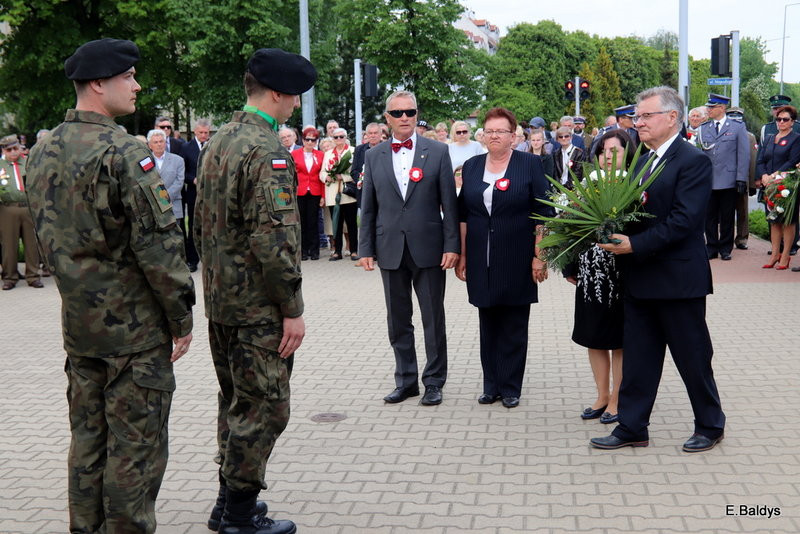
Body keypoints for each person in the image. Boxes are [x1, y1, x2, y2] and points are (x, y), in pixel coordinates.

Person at [24, 38, 195, 532]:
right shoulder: (125, 152)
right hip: (133, 335)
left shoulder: (44, 150)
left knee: (87, 442)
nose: (137, 85)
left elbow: (48, 236)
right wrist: (180, 318)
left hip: (79, 328)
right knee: (134, 450)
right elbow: (160, 250)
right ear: (99, 84)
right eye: (129, 77)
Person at [194, 47, 315, 533]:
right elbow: (274, 238)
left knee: (235, 402)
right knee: (264, 408)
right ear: (278, 94)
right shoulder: (266, 151)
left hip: (222, 302)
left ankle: (226, 505)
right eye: (295, 98)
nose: (296, 107)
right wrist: (292, 307)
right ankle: (240, 518)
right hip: (257, 307)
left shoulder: (220, 139)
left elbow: (201, 226)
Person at [590, 86, 725, 453]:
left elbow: (686, 221)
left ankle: (710, 425)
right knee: (638, 360)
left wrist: (635, 244)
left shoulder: (692, 160)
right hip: (639, 278)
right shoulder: (642, 161)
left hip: (678, 280)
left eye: (646, 116)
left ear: (671, 118)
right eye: (637, 116)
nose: (638, 122)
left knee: (693, 358)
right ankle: (632, 426)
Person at [358, 90, 459, 406]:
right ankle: (406, 381)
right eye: (398, 113)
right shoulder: (374, 156)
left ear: (417, 115)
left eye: (410, 112)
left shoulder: (439, 151)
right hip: (390, 248)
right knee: (398, 319)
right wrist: (365, 249)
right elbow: (368, 206)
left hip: (429, 248)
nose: (405, 118)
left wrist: (452, 244)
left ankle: (434, 382)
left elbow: (449, 204)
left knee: (433, 318)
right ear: (387, 118)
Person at [454, 107, 551, 408]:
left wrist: (540, 255)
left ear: (513, 136)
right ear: (482, 135)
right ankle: (490, 385)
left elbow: (544, 214)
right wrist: (462, 255)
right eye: (489, 130)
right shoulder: (471, 166)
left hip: (518, 256)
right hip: (481, 257)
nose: (494, 135)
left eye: (501, 131)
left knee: (513, 323)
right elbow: (464, 214)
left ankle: (510, 387)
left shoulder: (530, 164)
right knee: (488, 321)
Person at [566, 129, 635, 425]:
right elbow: (568, 229)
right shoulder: (585, 185)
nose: (609, 157)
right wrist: (569, 266)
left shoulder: (634, 186)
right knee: (594, 336)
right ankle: (601, 395)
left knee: (619, 339)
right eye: (604, 151)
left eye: (615, 151)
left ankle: (618, 399)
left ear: (627, 154)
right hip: (591, 272)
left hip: (622, 272)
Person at [699, 93, 750, 261]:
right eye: (708, 107)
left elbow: (743, 154)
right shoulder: (704, 128)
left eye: (711, 107)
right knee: (709, 216)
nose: (708, 110)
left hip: (729, 180)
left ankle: (725, 248)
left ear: (721, 108)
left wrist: (741, 178)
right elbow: (700, 154)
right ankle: (711, 247)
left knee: (727, 216)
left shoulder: (737, 127)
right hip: (709, 180)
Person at [756, 105, 800, 270]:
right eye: (778, 119)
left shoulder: (796, 138)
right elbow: (760, 160)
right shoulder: (769, 138)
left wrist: (775, 175)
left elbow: (791, 161)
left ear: (792, 122)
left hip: (786, 185)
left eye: (785, 119)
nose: (781, 122)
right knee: (773, 220)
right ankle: (775, 254)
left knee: (788, 221)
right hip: (770, 186)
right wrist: (764, 176)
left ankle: (786, 255)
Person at [0, 134, 43, 289]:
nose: (13, 152)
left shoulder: (28, 162)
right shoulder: (0, 165)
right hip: (7, 208)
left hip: (28, 207)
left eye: (15, 148)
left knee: (32, 243)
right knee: (9, 244)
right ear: (4, 150)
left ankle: (33, 276)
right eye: (9, 149)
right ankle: (9, 277)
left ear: (20, 147)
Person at [320, 127, 358, 261]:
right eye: (336, 137)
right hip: (332, 193)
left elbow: (357, 172)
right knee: (336, 223)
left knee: (351, 223)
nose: (339, 139)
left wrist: (343, 176)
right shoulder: (328, 153)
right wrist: (327, 177)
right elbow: (322, 172)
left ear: (346, 137)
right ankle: (337, 251)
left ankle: (354, 250)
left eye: (341, 136)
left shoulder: (353, 151)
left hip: (347, 193)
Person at [181, 118, 212, 272]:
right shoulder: (186, 148)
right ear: (195, 132)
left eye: (206, 132)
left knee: (211, 226)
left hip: (212, 194)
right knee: (194, 225)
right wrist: (192, 179)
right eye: (201, 132)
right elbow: (182, 171)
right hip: (194, 193)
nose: (204, 135)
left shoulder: (213, 147)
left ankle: (210, 259)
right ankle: (192, 259)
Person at [726, 106, 758, 250]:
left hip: (742, 179)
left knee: (742, 210)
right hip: (724, 179)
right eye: (731, 117)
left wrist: (751, 184)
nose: (735, 120)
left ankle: (742, 238)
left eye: (737, 117)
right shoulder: (721, 134)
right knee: (725, 211)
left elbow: (752, 161)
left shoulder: (749, 137)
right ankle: (725, 238)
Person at [292, 126, 324, 260]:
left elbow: (323, 176)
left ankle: (315, 250)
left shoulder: (320, 155)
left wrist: (323, 196)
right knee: (302, 222)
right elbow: (291, 175)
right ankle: (303, 251)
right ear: (303, 140)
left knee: (313, 221)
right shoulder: (294, 154)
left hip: (315, 191)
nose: (310, 142)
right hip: (300, 191)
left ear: (316, 141)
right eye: (307, 139)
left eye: (313, 140)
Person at [147, 128, 185, 229]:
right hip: (153, 207)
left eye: (161, 141)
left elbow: (179, 182)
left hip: (173, 206)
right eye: (155, 142)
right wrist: (157, 198)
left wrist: (164, 198)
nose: (159, 144)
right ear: (150, 145)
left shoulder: (178, 160)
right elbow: (144, 181)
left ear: (165, 143)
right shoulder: (145, 161)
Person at [351, 122, 382, 206]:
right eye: (370, 133)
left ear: (380, 134)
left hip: (383, 191)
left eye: (375, 133)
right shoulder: (359, 149)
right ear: (367, 135)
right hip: (365, 191)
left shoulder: (388, 148)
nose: (373, 135)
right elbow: (354, 171)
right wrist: (363, 181)